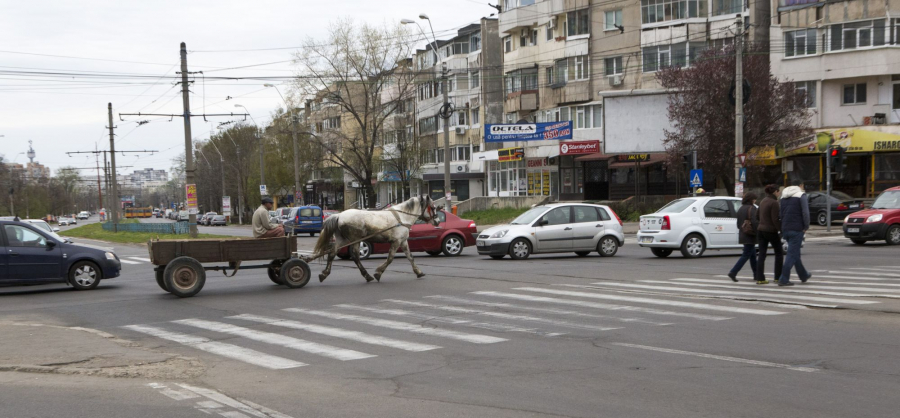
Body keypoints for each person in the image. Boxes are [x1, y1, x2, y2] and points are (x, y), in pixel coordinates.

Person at [778, 181, 812, 286]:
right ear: (800, 185)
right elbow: (805, 212)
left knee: (795, 252)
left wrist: (782, 227)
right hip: (797, 229)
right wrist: (806, 226)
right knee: (792, 254)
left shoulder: (783, 197)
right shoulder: (801, 195)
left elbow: (780, 214)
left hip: (786, 228)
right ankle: (783, 279)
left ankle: (803, 275)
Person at [755, 184, 782, 285]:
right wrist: (780, 230)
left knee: (762, 254)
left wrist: (762, 223)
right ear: (775, 192)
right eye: (778, 191)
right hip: (771, 231)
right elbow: (775, 219)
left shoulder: (763, 201)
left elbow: (757, 216)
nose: (779, 193)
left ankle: (760, 278)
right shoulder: (774, 202)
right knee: (779, 253)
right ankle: (778, 277)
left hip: (760, 230)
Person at [728, 192, 758, 282]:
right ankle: (733, 272)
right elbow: (755, 222)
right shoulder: (752, 208)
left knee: (752, 255)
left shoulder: (741, 208)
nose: (755, 200)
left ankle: (756, 274)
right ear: (752, 200)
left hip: (743, 233)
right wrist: (758, 232)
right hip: (750, 234)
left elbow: (738, 224)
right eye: (754, 199)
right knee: (746, 255)